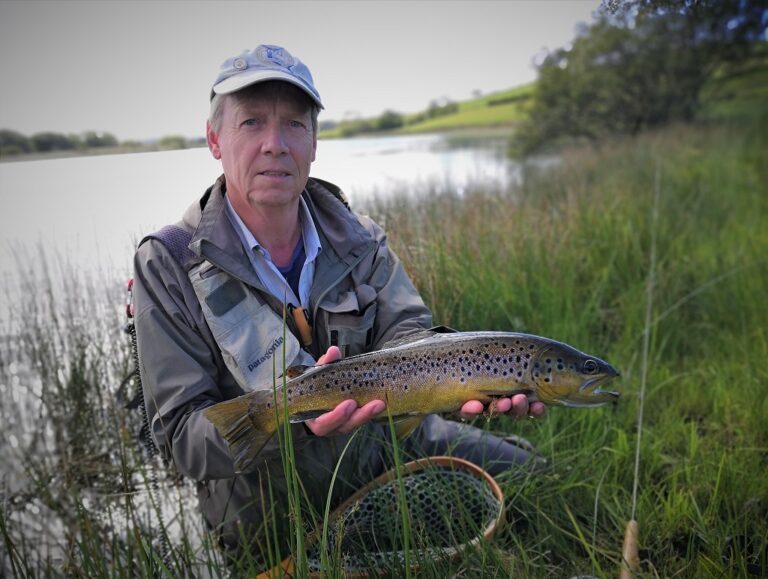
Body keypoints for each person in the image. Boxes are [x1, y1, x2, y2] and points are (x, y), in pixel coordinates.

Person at [133, 43, 546, 568]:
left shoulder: (359, 237)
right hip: (269, 507)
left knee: (534, 471)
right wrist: (300, 419)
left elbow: (408, 334)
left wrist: (465, 384)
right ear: (215, 139)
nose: (275, 144)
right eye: (252, 122)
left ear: (314, 142)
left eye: (294, 124)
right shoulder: (168, 261)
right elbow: (182, 440)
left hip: (382, 446)